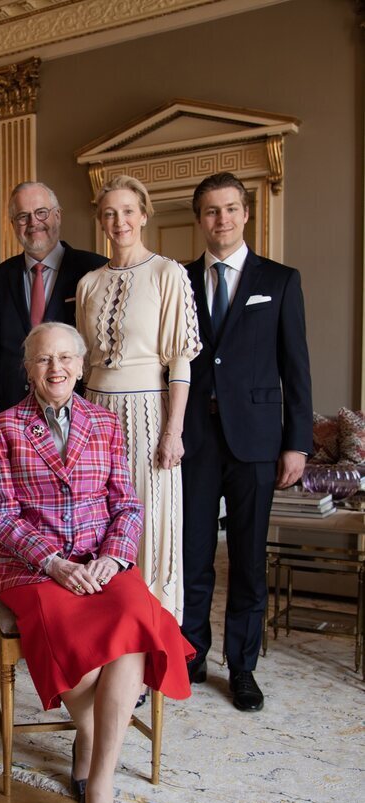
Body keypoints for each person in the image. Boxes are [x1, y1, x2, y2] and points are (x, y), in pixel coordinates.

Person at [0, 322, 194, 803]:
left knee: (134, 622)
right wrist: (54, 564)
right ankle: (100, 774)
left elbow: (126, 502)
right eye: (43, 360)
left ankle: (97, 788)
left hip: (102, 564)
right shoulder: (7, 426)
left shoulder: (104, 423)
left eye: (65, 359)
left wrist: (113, 558)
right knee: (69, 635)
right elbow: (0, 516)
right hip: (34, 570)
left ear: (82, 366)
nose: (55, 369)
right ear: (27, 369)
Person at [180, 172, 312, 711]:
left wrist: (296, 443)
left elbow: (295, 366)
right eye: (211, 211)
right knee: (192, 556)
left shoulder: (279, 280)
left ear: (246, 213)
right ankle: (190, 654)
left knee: (249, 559)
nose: (222, 220)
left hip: (257, 440)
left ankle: (243, 666)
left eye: (231, 209)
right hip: (193, 438)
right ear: (200, 219)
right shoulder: (179, 279)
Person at [76, 175, 201, 621]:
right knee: (97, 520)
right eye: (109, 213)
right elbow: (81, 362)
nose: (119, 221)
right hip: (93, 414)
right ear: (101, 222)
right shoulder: (90, 283)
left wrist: (173, 431)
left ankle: (149, 640)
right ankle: (104, 632)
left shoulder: (169, 274)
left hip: (148, 413)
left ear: (144, 214)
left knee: (147, 522)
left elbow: (181, 361)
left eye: (128, 211)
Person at [0, 181, 106, 413]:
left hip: (77, 406)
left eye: (41, 213)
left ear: (57, 216)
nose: (33, 223)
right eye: (22, 216)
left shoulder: (94, 270)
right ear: (13, 224)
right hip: (13, 410)